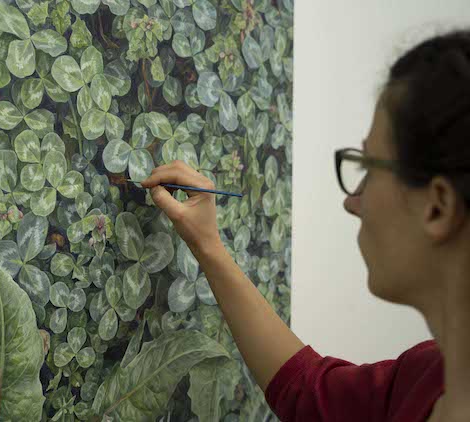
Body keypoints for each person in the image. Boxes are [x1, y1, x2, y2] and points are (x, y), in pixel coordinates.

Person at [140, 30, 470, 422]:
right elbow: (309, 394)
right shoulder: (427, 376)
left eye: (368, 168)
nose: (351, 201)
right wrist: (207, 245)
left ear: (437, 207)